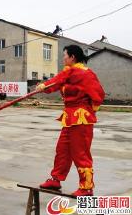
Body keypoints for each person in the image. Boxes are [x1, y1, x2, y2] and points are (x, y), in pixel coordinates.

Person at [37, 45, 105, 196]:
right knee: (62, 150)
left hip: (81, 118)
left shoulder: (84, 73)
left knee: (80, 153)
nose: (63, 58)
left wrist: (91, 109)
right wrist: (44, 87)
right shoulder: (69, 74)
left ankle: (86, 187)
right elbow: (57, 82)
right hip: (69, 118)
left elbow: (99, 94)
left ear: (72, 57)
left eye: (65, 55)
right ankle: (55, 179)